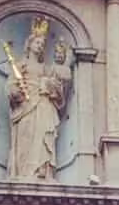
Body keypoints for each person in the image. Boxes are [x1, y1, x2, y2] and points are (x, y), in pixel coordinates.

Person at [7, 20, 71, 179]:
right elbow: (10, 86)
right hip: (25, 107)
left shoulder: (46, 69)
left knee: (43, 138)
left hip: (44, 105)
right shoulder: (21, 66)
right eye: (37, 42)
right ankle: (23, 172)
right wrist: (15, 92)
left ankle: (42, 171)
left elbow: (59, 88)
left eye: (42, 43)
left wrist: (49, 85)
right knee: (26, 138)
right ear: (29, 45)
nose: (40, 45)